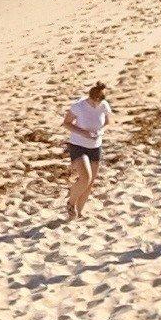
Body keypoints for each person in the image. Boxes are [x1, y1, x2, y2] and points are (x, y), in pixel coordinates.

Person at [60, 82, 113, 218]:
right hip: (78, 145)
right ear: (92, 98)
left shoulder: (104, 105)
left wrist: (101, 130)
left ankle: (80, 211)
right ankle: (71, 203)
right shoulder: (79, 106)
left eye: (102, 100)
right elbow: (66, 123)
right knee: (85, 178)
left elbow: (108, 122)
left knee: (90, 183)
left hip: (95, 146)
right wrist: (82, 133)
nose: (99, 103)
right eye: (97, 100)